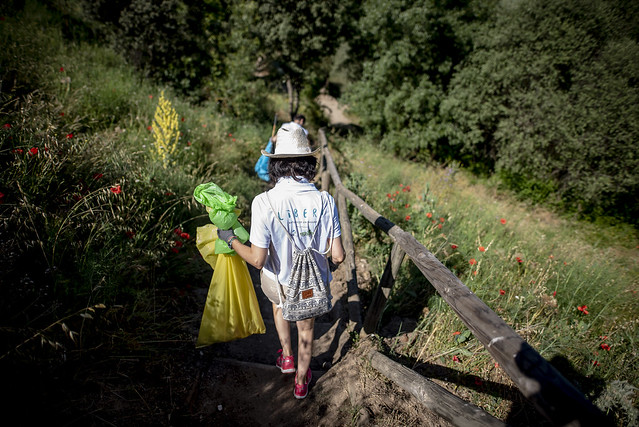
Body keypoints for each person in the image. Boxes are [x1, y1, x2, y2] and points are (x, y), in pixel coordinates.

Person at [218, 122, 345, 399]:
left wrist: (230, 240)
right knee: (307, 325)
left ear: (276, 164)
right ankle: (301, 380)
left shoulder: (264, 201)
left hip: (279, 283)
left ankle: (287, 357)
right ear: (308, 163)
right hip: (311, 286)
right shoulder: (325, 201)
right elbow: (338, 255)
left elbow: (257, 259)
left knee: (279, 304)